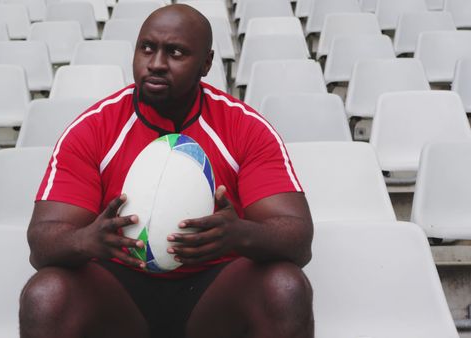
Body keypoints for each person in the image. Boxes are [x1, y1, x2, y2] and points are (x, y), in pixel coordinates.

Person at [19, 4, 314, 338]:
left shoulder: (245, 128)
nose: (156, 64)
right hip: (119, 292)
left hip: (214, 294)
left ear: (206, 63)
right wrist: (86, 240)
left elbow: (298, 239)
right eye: (147, 48)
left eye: (176, 52)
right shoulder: (93, 129)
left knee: (285, 287)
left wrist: (240, 234)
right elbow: (41, 244)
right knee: (46, 295)